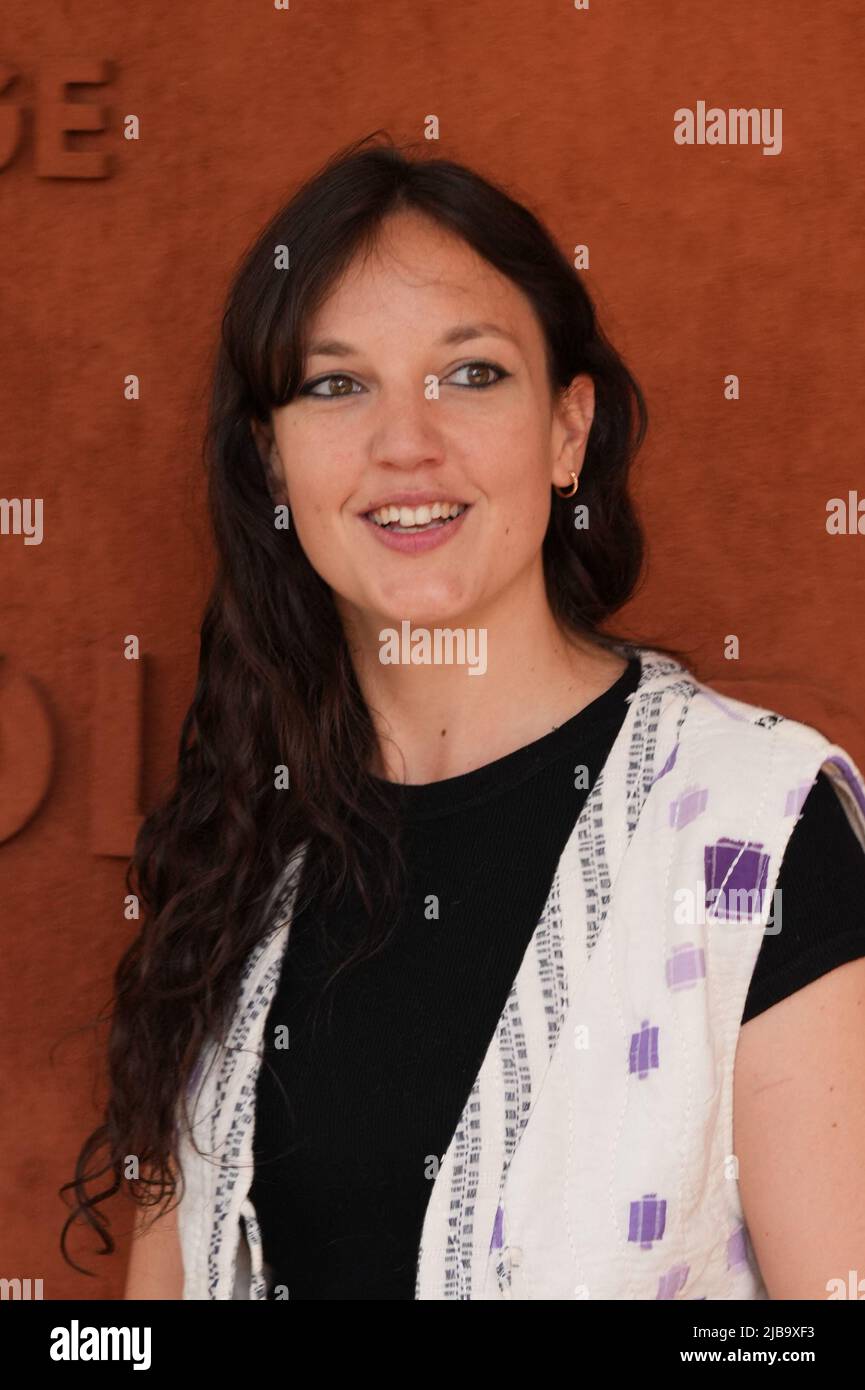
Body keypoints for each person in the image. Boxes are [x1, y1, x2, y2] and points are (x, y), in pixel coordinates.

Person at [61, 133, 865, 1300]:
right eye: (337, 384)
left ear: (567, 430)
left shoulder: (752, 826)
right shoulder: (237, 841)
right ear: (272, 465)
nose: (405, 443)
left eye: (471, 373)